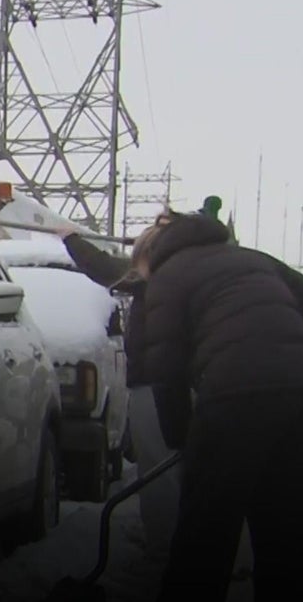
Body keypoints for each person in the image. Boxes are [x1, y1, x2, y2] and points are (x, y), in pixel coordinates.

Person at [131, 211, 303, 602]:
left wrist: (180, 437)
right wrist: (300, 359)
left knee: (204, 537)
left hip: (232, 400)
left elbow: (165, 367)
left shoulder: (168, 276)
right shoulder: (254, 258)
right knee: (285, 538)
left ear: (151, 258)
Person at [55, 217, 180, 562]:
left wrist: (72, 239)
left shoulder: (163, 268)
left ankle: (166, 552)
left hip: (157, 383)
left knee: (159, 470)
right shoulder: (210, 265)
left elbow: (106, 268)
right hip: (206, 383)